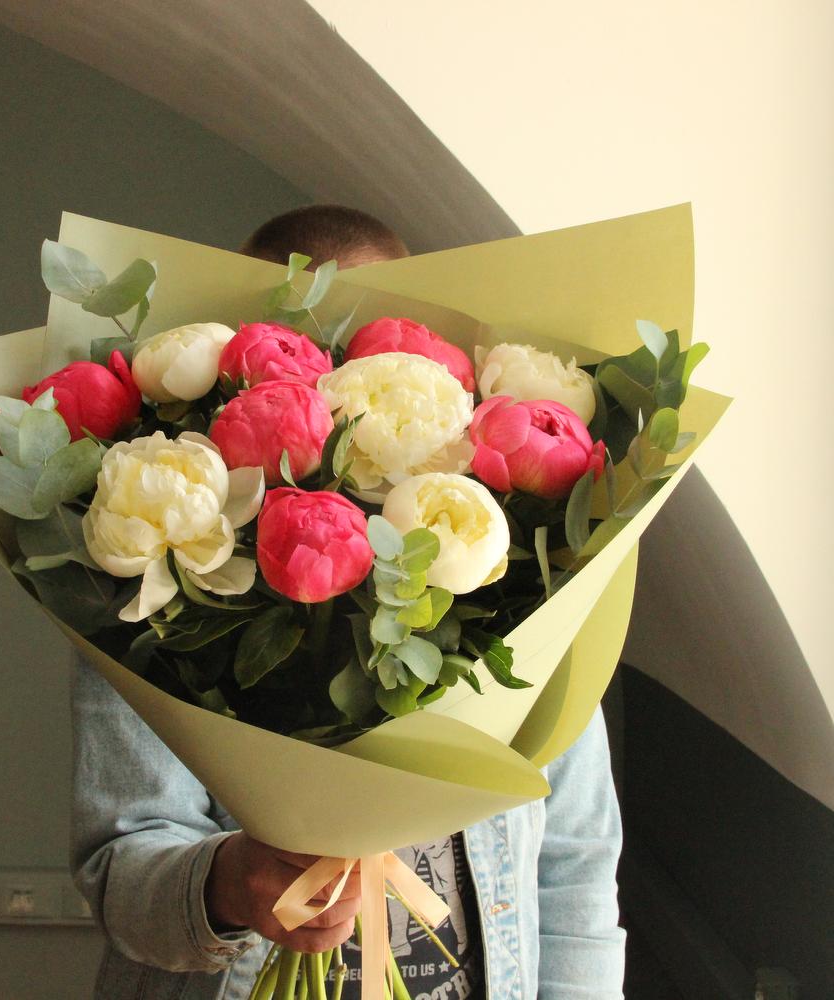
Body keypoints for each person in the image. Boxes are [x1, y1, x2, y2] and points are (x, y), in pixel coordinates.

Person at [71, 205, 626, 1000]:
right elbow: (118, 870)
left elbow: (575, 865)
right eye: (291, 342)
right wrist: (230, 884)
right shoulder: (154, 571)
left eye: (368, 340)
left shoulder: (512, 566)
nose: (329, 373)